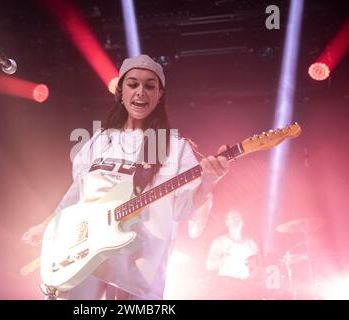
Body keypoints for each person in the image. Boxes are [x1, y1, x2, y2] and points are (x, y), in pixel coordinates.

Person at [22, 54, 229, 300]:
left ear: (159, 94)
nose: (140, 91)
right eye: (132, 84)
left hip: (138, 271)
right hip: (84, 259)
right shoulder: (99, 141)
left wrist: (207, 184)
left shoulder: (176, 148)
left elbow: (182, 210)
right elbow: (76, 195)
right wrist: (48, 225)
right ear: (121, 92)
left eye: (149, 86)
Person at [205, 209, 259, 299]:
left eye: (238, 217)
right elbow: (209, 266)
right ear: (227, 222)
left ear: (243, 222)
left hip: (248, 287)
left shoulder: (251, 243)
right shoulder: (219, 241)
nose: (235, 219)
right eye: (232, 217)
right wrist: (224, 259)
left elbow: (259, 267)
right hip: (227, 287)